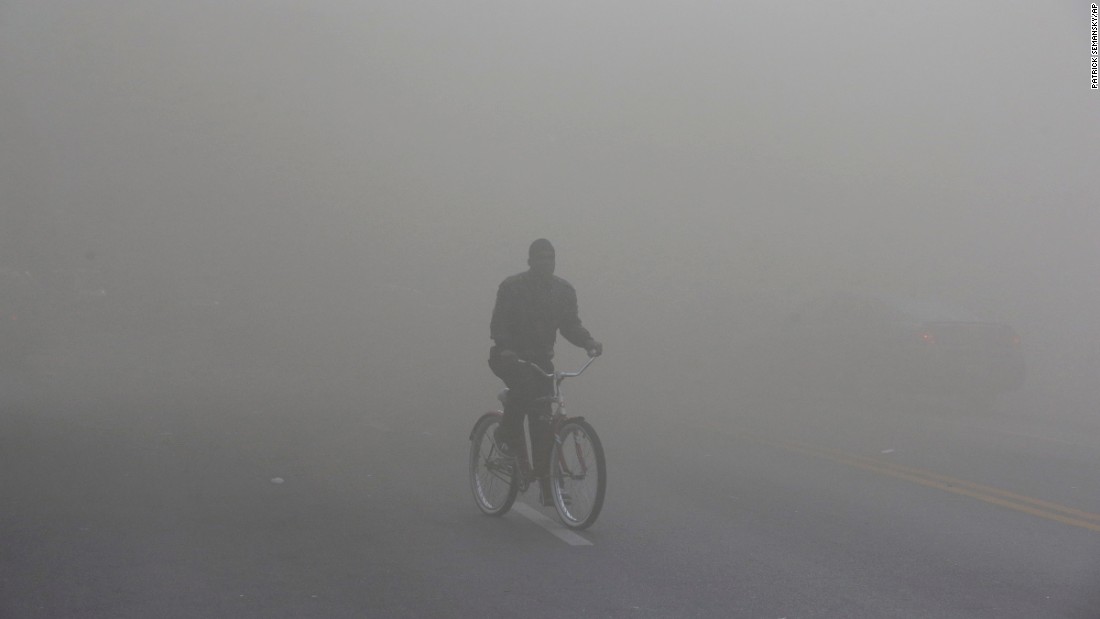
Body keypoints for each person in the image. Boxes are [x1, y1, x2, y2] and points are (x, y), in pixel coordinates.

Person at [489, 239, 602, 506]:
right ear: (530, 261)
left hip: (541, 362)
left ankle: (548, 484)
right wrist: (505, 347)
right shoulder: (512, 287)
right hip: (510, 357)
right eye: (540, 257)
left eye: (550, 257)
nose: (546, 262)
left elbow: (570, 325)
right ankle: (504, 434)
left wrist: (588, 342)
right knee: (524, 391)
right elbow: (499, 323)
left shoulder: (563, 291)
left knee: (542, 422)